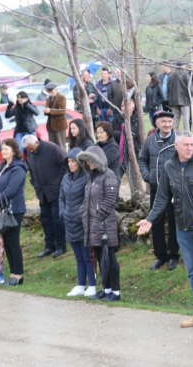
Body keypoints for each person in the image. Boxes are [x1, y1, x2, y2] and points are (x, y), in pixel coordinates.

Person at [137, 130, 193, 330]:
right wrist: (150, 220)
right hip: (182, 228)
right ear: (176, 146)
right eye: (186, 145)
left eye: (192, 144)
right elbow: (161, 199)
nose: (190, 148)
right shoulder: (169, 167)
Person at [78, 145, 121, 302]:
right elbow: (86, 199)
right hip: (92, 225)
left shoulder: (109, 175)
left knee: (109, 257)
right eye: (86, 161)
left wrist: (97, 215)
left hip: (104, 225)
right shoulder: (91, 177)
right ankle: (106, 289)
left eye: (90, 160)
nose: (88, 164)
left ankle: (116, 292)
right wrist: (83, 212)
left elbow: (111, 199)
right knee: (100, 258)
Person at [138, 111, 180, 271]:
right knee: (156, 222)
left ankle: (174, 255)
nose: (167, 124)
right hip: (156, 188)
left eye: (170, 121)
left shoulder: (178, 140)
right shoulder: (150, 141)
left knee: (174, 220)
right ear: (157, 123)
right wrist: (147, 176)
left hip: (173, 189)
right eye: (164, 122)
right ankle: (160, 255)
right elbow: (142, 159)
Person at [0, 138, 28, 286]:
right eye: (2, 149)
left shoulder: (18, 168)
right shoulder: (4, 165)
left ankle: (18, 275)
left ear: (14, 150)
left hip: (14, 210)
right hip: (3, 209)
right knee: (6, 242)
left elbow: (10, 190)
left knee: (13, 242)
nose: (3, 151)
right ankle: (12, 274)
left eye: (6, 149)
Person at [59, 148, 96, 297]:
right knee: (78, 257)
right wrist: (63, 212)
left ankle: (92, 285)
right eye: (68, 161)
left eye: (73, 161)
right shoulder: (66, 178)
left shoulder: (87, 177)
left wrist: (81, 214)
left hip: (83, 222)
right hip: (69, 222)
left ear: (80, 163)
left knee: (88, 256)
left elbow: (89, 198)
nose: (70, 164)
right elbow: (61, 197)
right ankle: (81, 285)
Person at [22, 135, 67, 259]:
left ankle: (61, 246)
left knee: (57, 219)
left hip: (55, 190)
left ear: (37, 142)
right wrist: (35, 183)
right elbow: (31, 171)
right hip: (42, 192)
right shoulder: (30, 152)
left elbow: (64, 165)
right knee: (45, 219)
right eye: (28, 150)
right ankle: (49, 246)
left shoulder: (52, 148)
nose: (30, 151)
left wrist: (58, 182)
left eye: (31, 148)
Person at [118, 99, 141, 191]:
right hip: (120, 156)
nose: (123, 108)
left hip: (132, 156)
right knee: (115, 179)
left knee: (133, 183)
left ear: (132, 108)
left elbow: (133, 134)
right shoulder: (118, 119)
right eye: (122, 106)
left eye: (126, 106)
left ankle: (135, 201)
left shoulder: (137, 120)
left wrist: (122, 131)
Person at [44, 82, 68, 153]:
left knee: (61, 146)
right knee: (52, 146)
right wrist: (45, 111)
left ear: (56, 89)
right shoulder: (48, 99)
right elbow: (47, 109)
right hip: (50, 126)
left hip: (59, 125)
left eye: (52, 91)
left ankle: (64, 160)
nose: (50, 93)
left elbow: (62, 111)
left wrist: (50, 111)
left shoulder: (61, 97)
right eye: (49, 92)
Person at [168, 62, 191, 131]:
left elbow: (168, 88)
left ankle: (174, 136)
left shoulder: (171, 75)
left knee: (175, 120)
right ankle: (187, 135)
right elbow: (190, 87)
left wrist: (170, 98)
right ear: (183, 66)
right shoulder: (185, 75)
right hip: (185, 101)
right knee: (186, 120)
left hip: (174, 101)